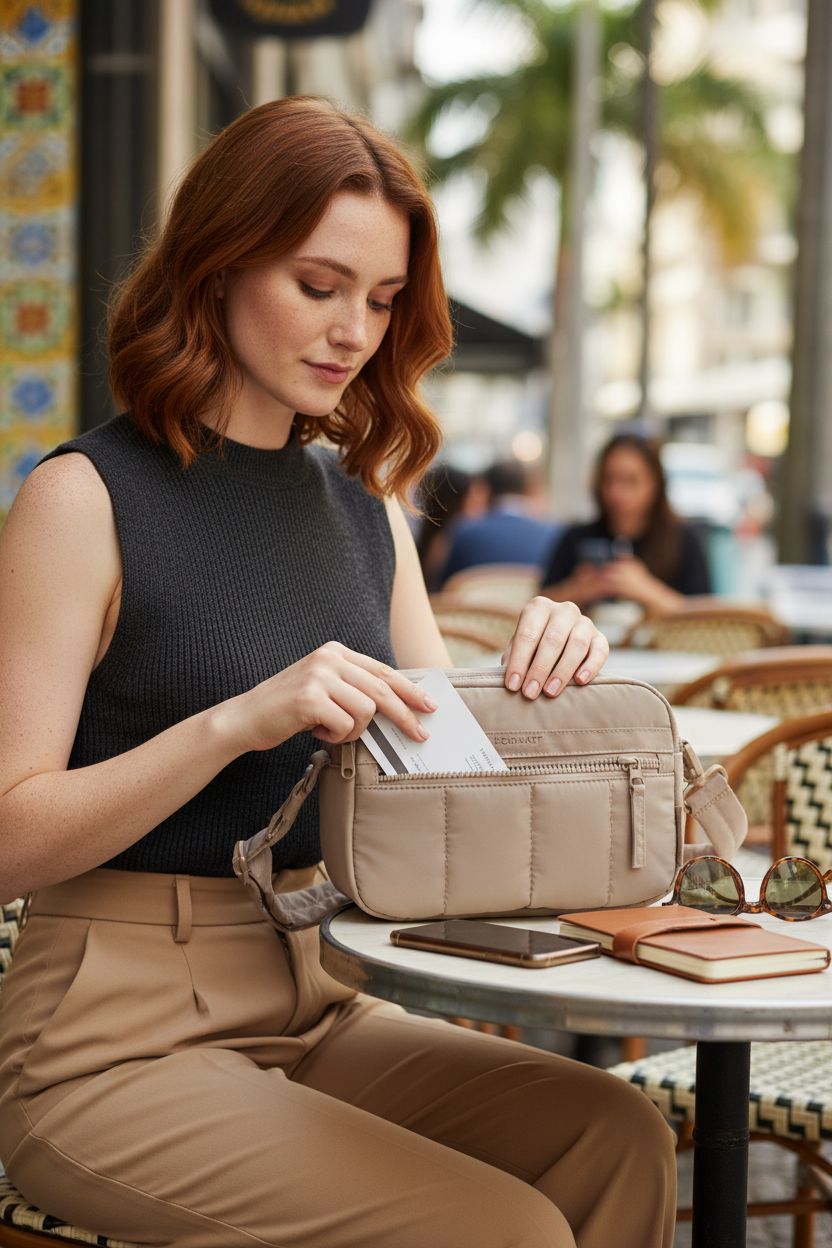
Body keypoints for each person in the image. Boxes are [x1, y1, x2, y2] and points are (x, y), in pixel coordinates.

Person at [0, 97, 676, 1248]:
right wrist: (236, 723)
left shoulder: (364, 507)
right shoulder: (84, 498)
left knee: (614, 1133)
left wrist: (549, 678)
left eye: (379, 299)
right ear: (215, 266)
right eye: (318, 287)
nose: (353, 330)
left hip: (319, 998)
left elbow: (447, 787)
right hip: (106, 1037)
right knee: (499, 1230)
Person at [541, 432, 712, 615]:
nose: (617, 492)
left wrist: (646, 589)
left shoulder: (683, 540)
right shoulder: (575, 537)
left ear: (655, 484)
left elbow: (705, 616)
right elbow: (539, 605)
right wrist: (577, 589)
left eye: (631, 481)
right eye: (609, 479)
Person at [439, 458, 563, 586]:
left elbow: (444, 588)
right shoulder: (555, 534)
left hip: (475, 605)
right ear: (527, 488)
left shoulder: (463, 531)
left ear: (486, 490)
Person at [415, 461, 485, 592]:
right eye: (473, 495)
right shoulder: (453, 539)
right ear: (455, 499)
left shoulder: (427, 539)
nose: (479, 502)